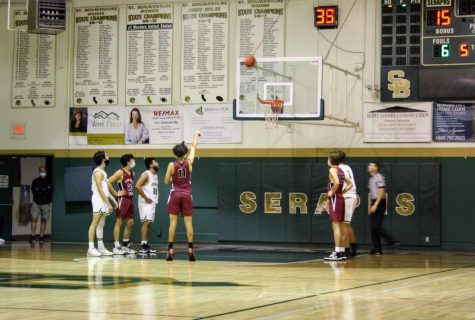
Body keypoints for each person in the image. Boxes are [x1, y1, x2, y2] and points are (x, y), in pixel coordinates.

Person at [164, 131, 201, 261]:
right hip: (187, 193)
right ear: (185, 153)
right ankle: (190, 249)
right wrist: (196, 135)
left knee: (172, 223)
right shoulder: (189, 162)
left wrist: (173, 179)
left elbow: (166, 181)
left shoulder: (171, 165)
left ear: (175, 153)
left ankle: (170, 250)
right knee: (189, 224)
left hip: (175, 193)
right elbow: (194, 147)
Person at [87, 151, 118, 257]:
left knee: (101, 224)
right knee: (94, 223)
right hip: (98, 200)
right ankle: (90, 248)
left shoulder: (102, 171)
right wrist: (108, 203)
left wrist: (113, 199)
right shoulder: (98, 172)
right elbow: (100, 190)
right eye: (107, 155)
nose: (108, 156)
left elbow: (105, 189)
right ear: (103, 159)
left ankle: (100, 247)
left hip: (103, 199)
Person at [324, 151, 353, 262]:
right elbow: (350, 184)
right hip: (340, 198)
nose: (327, 160)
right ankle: (340, 252)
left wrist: (332, 193)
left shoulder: (332, 169)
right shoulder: (341, 170)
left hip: (336, 198)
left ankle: (336, 252)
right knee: (340, 225)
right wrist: (342, 192)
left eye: (328, 158)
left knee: (335, 226)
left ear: (331, 160)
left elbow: (336, 182)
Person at [108, 154, 136, 255]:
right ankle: (116, 246)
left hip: (130, 199)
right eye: (132, 159)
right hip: (122, 199)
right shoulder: (120, 172)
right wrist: (116, 193)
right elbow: (108, 182)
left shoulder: (133, 173)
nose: (134, 161)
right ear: (128, 161)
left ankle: (125, 245)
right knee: (119, 222)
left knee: (130, 222)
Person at [368, 162, 398, 255]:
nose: (369, 166)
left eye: (371, 165)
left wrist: (376, 204)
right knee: (373, 227)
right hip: (374, 201)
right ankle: (377, 248)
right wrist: (372, 204)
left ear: (376, 167)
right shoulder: (371, 179)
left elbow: (381, 191)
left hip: (379, 202)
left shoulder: (379, 177)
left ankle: (390, 240)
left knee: (376, 225)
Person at [135, 157, 159, 254]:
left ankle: (145, 244)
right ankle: (143, 246)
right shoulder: (146, 174)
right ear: (151, 165)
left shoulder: (155, 175)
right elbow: (137, 186)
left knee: (148, 223)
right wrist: (145, 197)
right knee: (145, 223)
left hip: (152, 202)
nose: (157, 163)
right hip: (146, 202)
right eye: (155, 162)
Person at [338, 151, 358, 258]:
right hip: (349, 196)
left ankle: (345, 250)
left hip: (348, 196)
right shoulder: (346, 167)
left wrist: (337, 193)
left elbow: (344, 185)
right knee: (346, 224)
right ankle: (352, 247)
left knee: (344, 224)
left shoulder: (339, 169)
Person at [30, 166, 53, 244]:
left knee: (43, 220)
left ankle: (41, 236)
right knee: (34, 219)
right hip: (36, 203)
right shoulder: (35, 181)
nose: (42, 172)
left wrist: (41, 191)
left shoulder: (49, 181)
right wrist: (43, 191)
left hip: (46, 203)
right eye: (41, 171)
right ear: (39, 171)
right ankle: (32, 236)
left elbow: (50, 191)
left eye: (44, 171)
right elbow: (34, 191)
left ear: (46, 171)